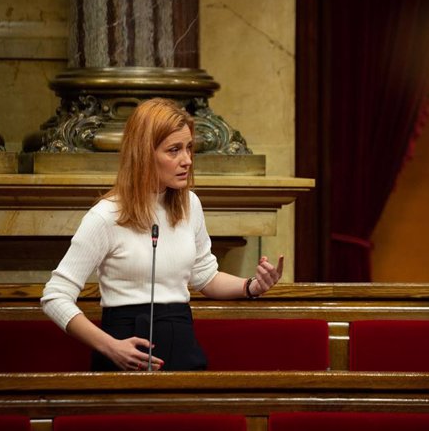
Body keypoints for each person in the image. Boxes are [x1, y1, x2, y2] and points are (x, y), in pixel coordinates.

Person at [41, 98, 284, 372]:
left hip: (181, 344)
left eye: (189, 148)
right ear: (144, 154)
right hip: (125, 349)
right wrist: (109, 346)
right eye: (174, 150)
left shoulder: (190, 204)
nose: (187, 160)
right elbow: (55, 296)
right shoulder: (105, 216)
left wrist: (251, 286)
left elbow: (205, 277)